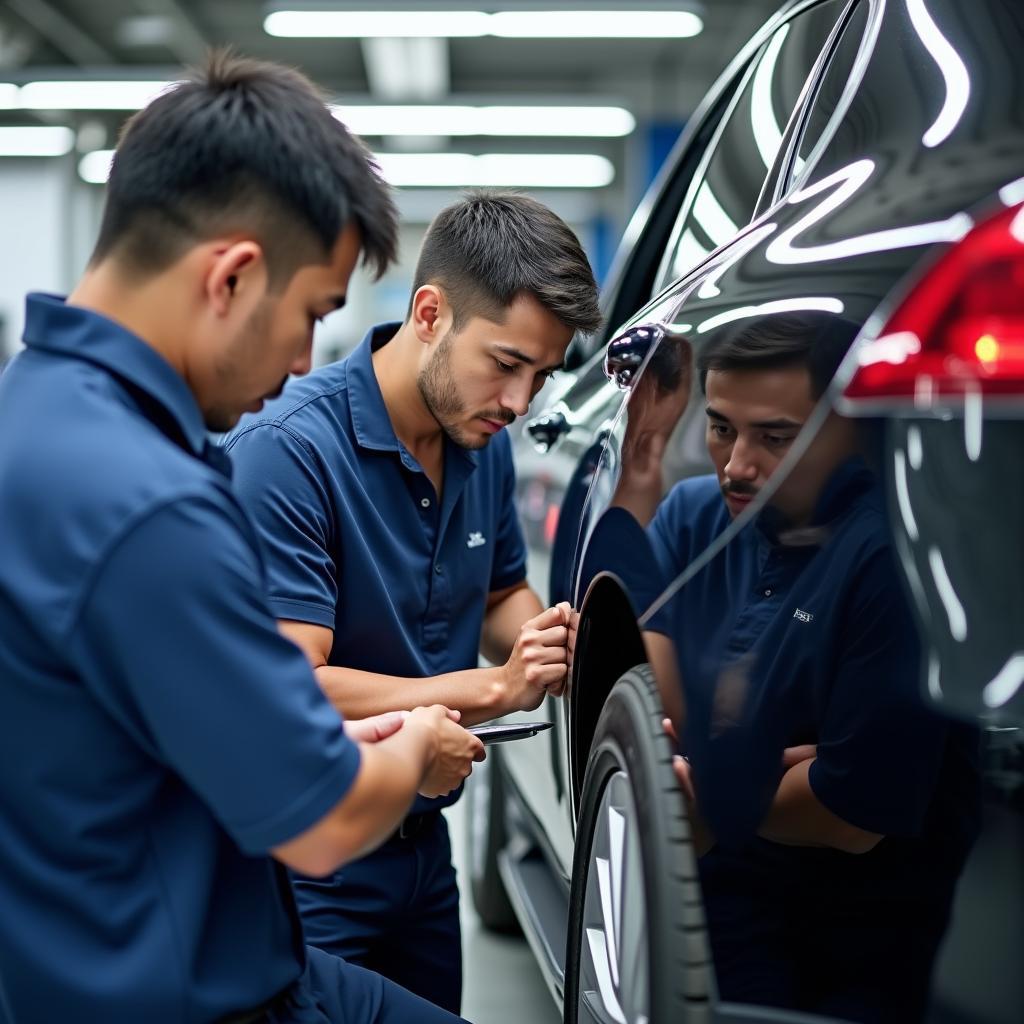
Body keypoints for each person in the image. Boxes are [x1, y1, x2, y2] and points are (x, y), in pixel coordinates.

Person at [0, 52, 486, 1024]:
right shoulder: (147, 501)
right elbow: (323, 821)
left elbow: (145, 714)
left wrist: (330, 734)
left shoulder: (37, 415)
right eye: (311, 314)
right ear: (231, 276)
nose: (308, 359)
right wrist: (414, 747)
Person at [224, 189, 601, 1012]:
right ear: (429, 313)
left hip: (428, 845)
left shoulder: (481, 441)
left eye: (540, 376)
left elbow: (502, 589)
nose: (518, 403)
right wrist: (492, 689)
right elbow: (294, 685)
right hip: (312, 851)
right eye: (505, 364)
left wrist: (541, 635)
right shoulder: (289, 452)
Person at [634, 314, 978, 1021]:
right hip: (714, 886)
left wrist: (712, 790)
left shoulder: (892, 560)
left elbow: (851, 817)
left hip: (852, 926)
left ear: (850, 426)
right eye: (722, 426)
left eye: (775, 438)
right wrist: (764, 777)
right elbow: (652, 707)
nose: (735, 465)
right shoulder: (694, 517)